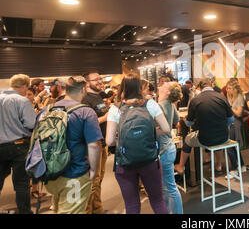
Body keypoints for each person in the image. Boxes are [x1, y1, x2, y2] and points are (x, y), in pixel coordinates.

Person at [106, 73, 170, 214]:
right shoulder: (150, 104)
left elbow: (109, 141)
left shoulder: (115, 108)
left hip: (124, 163)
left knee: (132, 205)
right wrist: (151, 133)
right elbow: (166, 129)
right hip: (150, 160)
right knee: (158, 201)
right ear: (140, 87)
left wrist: (121, 139)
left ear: (122, 87)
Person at [44, 76, 103, 214]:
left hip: (50, 171)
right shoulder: (85, 112)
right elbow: (94, 145)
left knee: (58, 208)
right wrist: (94, 170)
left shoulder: (47, 109)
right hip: (74, 173)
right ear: (83, 89)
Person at [174, 78, 234, 175]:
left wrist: (186, 118)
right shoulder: (222, 97)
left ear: (200, 88)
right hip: (224, 137)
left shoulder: (195, 100)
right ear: (212, 86)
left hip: (205, 139)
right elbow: (231, 120)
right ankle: (218, 165)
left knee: (188, 139)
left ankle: (181, 166)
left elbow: (188, 123)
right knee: (217, 138)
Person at [0, 74, 37, 214]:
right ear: (25, 86)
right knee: (21, 184)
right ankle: (24, 212)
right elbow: (31, 123)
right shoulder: (22, 101)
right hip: (19, 145)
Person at [81, 72, 109, 214]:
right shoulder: (85, 100)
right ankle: (87, 210)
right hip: (92, 144)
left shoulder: (98, 96)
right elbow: (86, 123)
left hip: (102, 143)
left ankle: (97, 209)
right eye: (96, 79)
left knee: (99, 179)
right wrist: (106, 117)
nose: (99, 81)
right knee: (92, 182)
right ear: (87, 83)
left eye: (100, 78)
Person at [158, 81, 184, 214]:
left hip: (164, 150)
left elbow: (161, 128)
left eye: (164, 85)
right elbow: (177, 120)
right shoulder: (170, 104)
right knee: (167, 186)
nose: (161, 85)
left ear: (167, 92)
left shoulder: (159, 106)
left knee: (170, 187)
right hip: (169, 146)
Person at [226, 79, 247, 175]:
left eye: (230, 88)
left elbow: (238, 113)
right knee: (234, 146)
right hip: (230, 123)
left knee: (230, 146)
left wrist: (229, 108)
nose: (227, 90)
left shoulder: (239, 98)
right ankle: (242, 165)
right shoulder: (229, 97)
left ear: (234, 89)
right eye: (227, 88)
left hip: (236, 123)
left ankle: (234, 169)